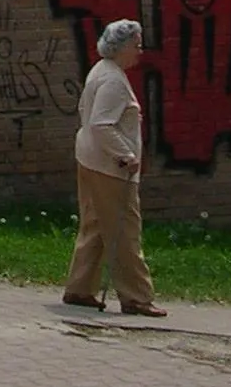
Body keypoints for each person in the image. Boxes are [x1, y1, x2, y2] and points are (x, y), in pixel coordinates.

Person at [61, 17, 166, 316]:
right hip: (110, 167)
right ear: (120, 47)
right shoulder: (113, 81)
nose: (140, 51)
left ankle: (80, 288)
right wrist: (126, 156)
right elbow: (102, 124)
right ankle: (136, 296)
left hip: (90, 159)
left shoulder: (102, 71)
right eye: (136, 45)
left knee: (95, 225)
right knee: (125, 230)